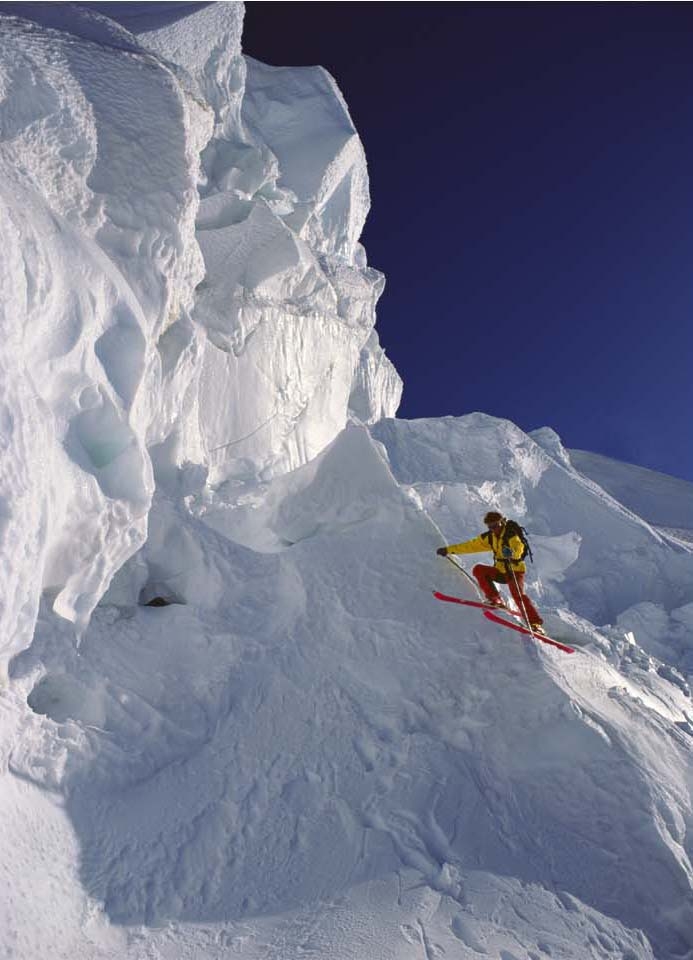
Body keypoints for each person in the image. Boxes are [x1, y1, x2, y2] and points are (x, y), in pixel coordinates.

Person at [436, 510, 545, 632]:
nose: (494, 529)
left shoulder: (511, 534)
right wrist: (448, 550)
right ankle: (495, 600)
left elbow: (519, 547)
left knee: (518, 595)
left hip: (514, 571)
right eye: (491, 527)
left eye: (495, 525)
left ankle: (536, 624)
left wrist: (512, 553)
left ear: (501, 523)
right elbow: (470, 546)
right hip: (500, 571)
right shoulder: (490, 537)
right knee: (479, 570)